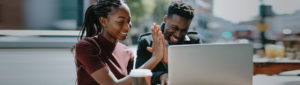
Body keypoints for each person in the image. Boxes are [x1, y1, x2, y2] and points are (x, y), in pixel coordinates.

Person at [73, 0, 166, 85]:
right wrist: (155, 58)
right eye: (121, 22)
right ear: (103, 21)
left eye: (128, 21)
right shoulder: (86, 47)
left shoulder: (127, 53)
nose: (127, 27)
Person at [135, 1, 201, 85]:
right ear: (165, 19)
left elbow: (198, 73)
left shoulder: (194, 42)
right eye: (174, 28)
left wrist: (171, 61)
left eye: (184, 30)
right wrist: (160, 76)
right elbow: (138, 77)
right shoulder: (146, 42)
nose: (178, 35)